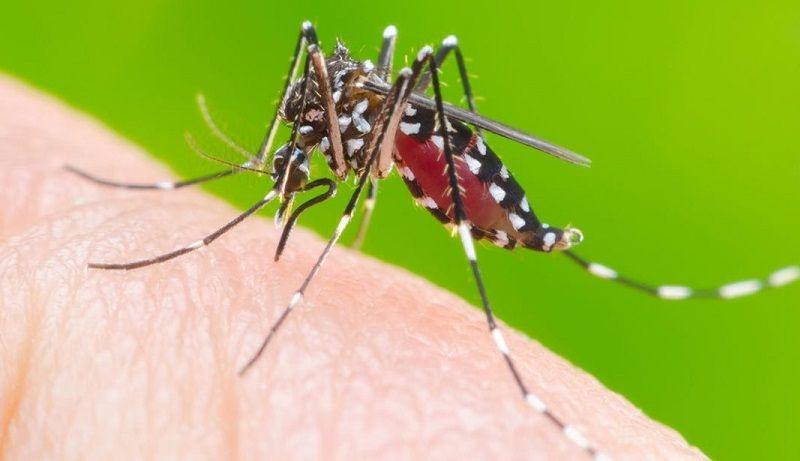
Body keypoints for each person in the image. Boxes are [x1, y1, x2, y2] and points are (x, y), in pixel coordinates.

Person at [0, 75, 704, 459]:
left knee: (417, 72)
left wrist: (298, 285)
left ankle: (505, 349)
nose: (289, 181)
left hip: (442, 157)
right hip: (400, 137)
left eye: (284, 167)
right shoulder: (324, 121)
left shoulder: (343, 120)